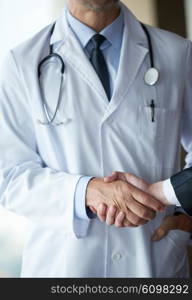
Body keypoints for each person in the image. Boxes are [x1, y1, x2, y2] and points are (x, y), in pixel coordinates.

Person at [0, 0, 192, 277]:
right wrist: (87, 192)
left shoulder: (177, 53)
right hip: (62, 266)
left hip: (154, 260)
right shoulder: (23, 62)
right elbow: (9, 177)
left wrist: (187, 216)